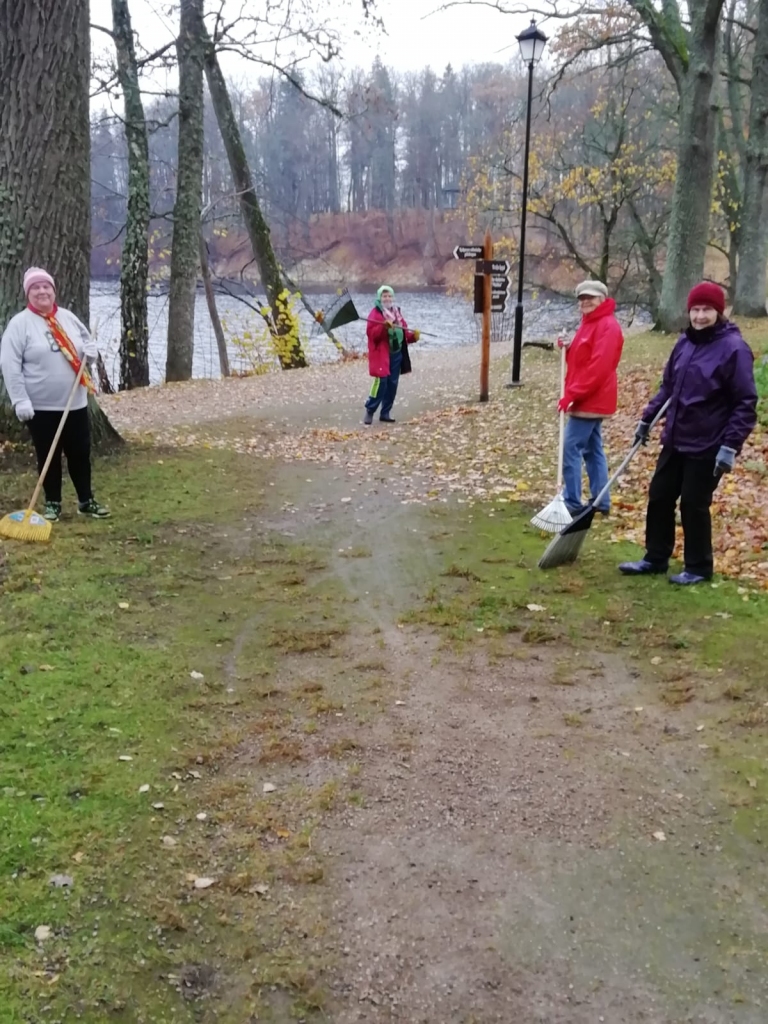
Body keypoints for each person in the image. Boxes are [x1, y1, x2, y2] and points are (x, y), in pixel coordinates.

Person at [619, 281, 757, 585]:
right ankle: (655, 558)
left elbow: (745, 403)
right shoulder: (685, 343)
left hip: (709, 443)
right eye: (695, 309)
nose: (699, 316)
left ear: (719, 312)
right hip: (676, 437)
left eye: (707, 310)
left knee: (693, 504)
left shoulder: (734, 349)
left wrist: (730, 447)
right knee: (659, 496)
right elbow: (668, 388)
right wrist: (647, 419)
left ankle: (698, 567)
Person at [0, 267, 110, 522]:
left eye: (46, 287)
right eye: (35, 288)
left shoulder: (69, 318)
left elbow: (85, 352)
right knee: (47, 455)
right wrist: (20, 400)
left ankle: (86, 501)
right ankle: (53, 503)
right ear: (28, 294)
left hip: (75, 403)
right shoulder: (20, 324)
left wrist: (90, 355)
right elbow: (9, 364)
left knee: (80, 453)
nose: (42, 291)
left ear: (53, 290)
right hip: (40, 406)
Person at [557, 280, 624, 516]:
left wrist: (572, 395)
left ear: (602, 299)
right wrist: (568, 347)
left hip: (591, 398)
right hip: (585, 396)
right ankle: (601, 500)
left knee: (570, 447)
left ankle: (572, 502)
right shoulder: (588, 324)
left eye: (591, 298)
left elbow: (598, 369)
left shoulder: (608, 326)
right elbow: (580, 361)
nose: (586, 301)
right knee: (592, 449)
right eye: (582, 298)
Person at [363, 285, 419, 425]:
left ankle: (385, 412)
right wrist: (383, 326)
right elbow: (372, 335)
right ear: (379, 298)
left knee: (392, 385)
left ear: (392, 298)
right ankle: (370, 410)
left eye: (389, 296)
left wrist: (414, 337)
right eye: (384, 296)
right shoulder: (375, 314)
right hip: (382, 356)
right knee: (381, 383)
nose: (387, 298)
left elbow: (403, 334)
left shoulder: (397, 314)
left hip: (396, 355)